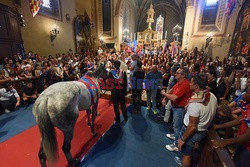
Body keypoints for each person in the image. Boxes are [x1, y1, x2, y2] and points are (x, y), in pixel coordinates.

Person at [175, 74, 218, 167]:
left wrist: (183, 138)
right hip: (202, 130)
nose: (189, 84)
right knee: (192, 153)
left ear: (196, 86)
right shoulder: (212, 96)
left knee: (186, 154)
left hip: (191, 132)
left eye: (191, 82)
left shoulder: (195, 104)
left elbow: (192, 125)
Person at [161, 67, 191, 151]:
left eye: (177, 73)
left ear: (183, 75)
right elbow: (172, 90)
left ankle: (176, 145)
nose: (175, 74)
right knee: (176, 125)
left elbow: (174, 98)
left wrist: (164, 93)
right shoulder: (179, 82)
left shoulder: (185, 84)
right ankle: (175, 135)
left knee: (178, 127)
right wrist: (165, 97)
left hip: (180, 108)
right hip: (176, 107)